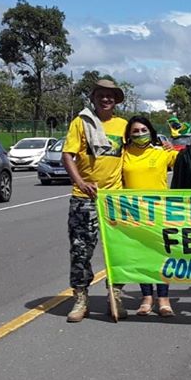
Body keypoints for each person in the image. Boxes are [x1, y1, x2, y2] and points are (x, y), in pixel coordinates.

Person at [62, 78, 128, 323]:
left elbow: (140, 149)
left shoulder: (123, 125)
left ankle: (116, 295)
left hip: (115, 200)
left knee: (118, 252)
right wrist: (80, 182)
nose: (106, 99)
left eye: (110, 95)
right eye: (101, 94)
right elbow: (67, 155)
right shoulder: (81, 123)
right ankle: (80, 298)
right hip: (85, 198)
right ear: (94, 97)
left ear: (116, 100)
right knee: (81, 251)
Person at [122, 115, 180, 316]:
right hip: (133, 215)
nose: (139, 134)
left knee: (160, 256)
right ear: (129, 135)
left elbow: (189, 163)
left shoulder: (162, 153)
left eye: (143, 130)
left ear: (151, 132)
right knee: (142, 257)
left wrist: (188, 141)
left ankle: (163, 298)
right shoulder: (123, 154)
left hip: (159, 213)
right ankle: (146, 297)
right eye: (135, 131)